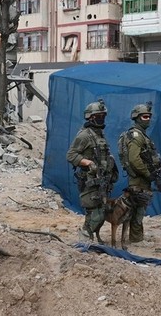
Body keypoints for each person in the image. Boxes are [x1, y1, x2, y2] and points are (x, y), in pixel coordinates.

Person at [66, 99, 118, 241]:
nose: (101, 119)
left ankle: (92, 237)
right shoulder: (84, 135)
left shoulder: (99, 135)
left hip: (101, 181)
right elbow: (71, 155)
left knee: (101, 211)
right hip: (90, 181)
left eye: (103, 116)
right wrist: (88, 162)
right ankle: (84, 239)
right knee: (95, 213)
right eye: (98, 116)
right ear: (90, 117)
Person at [120, 103, 161, 244]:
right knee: (139, 208)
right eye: (145, 116)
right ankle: (136, 239)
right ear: (136, 118)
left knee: (139, 207)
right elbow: (134, 159)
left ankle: (136, 236)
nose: (148, 119)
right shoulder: (137, 136)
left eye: (149, 116)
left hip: (140, 178)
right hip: (139, 179)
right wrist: (147, 173)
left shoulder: (140, 135)